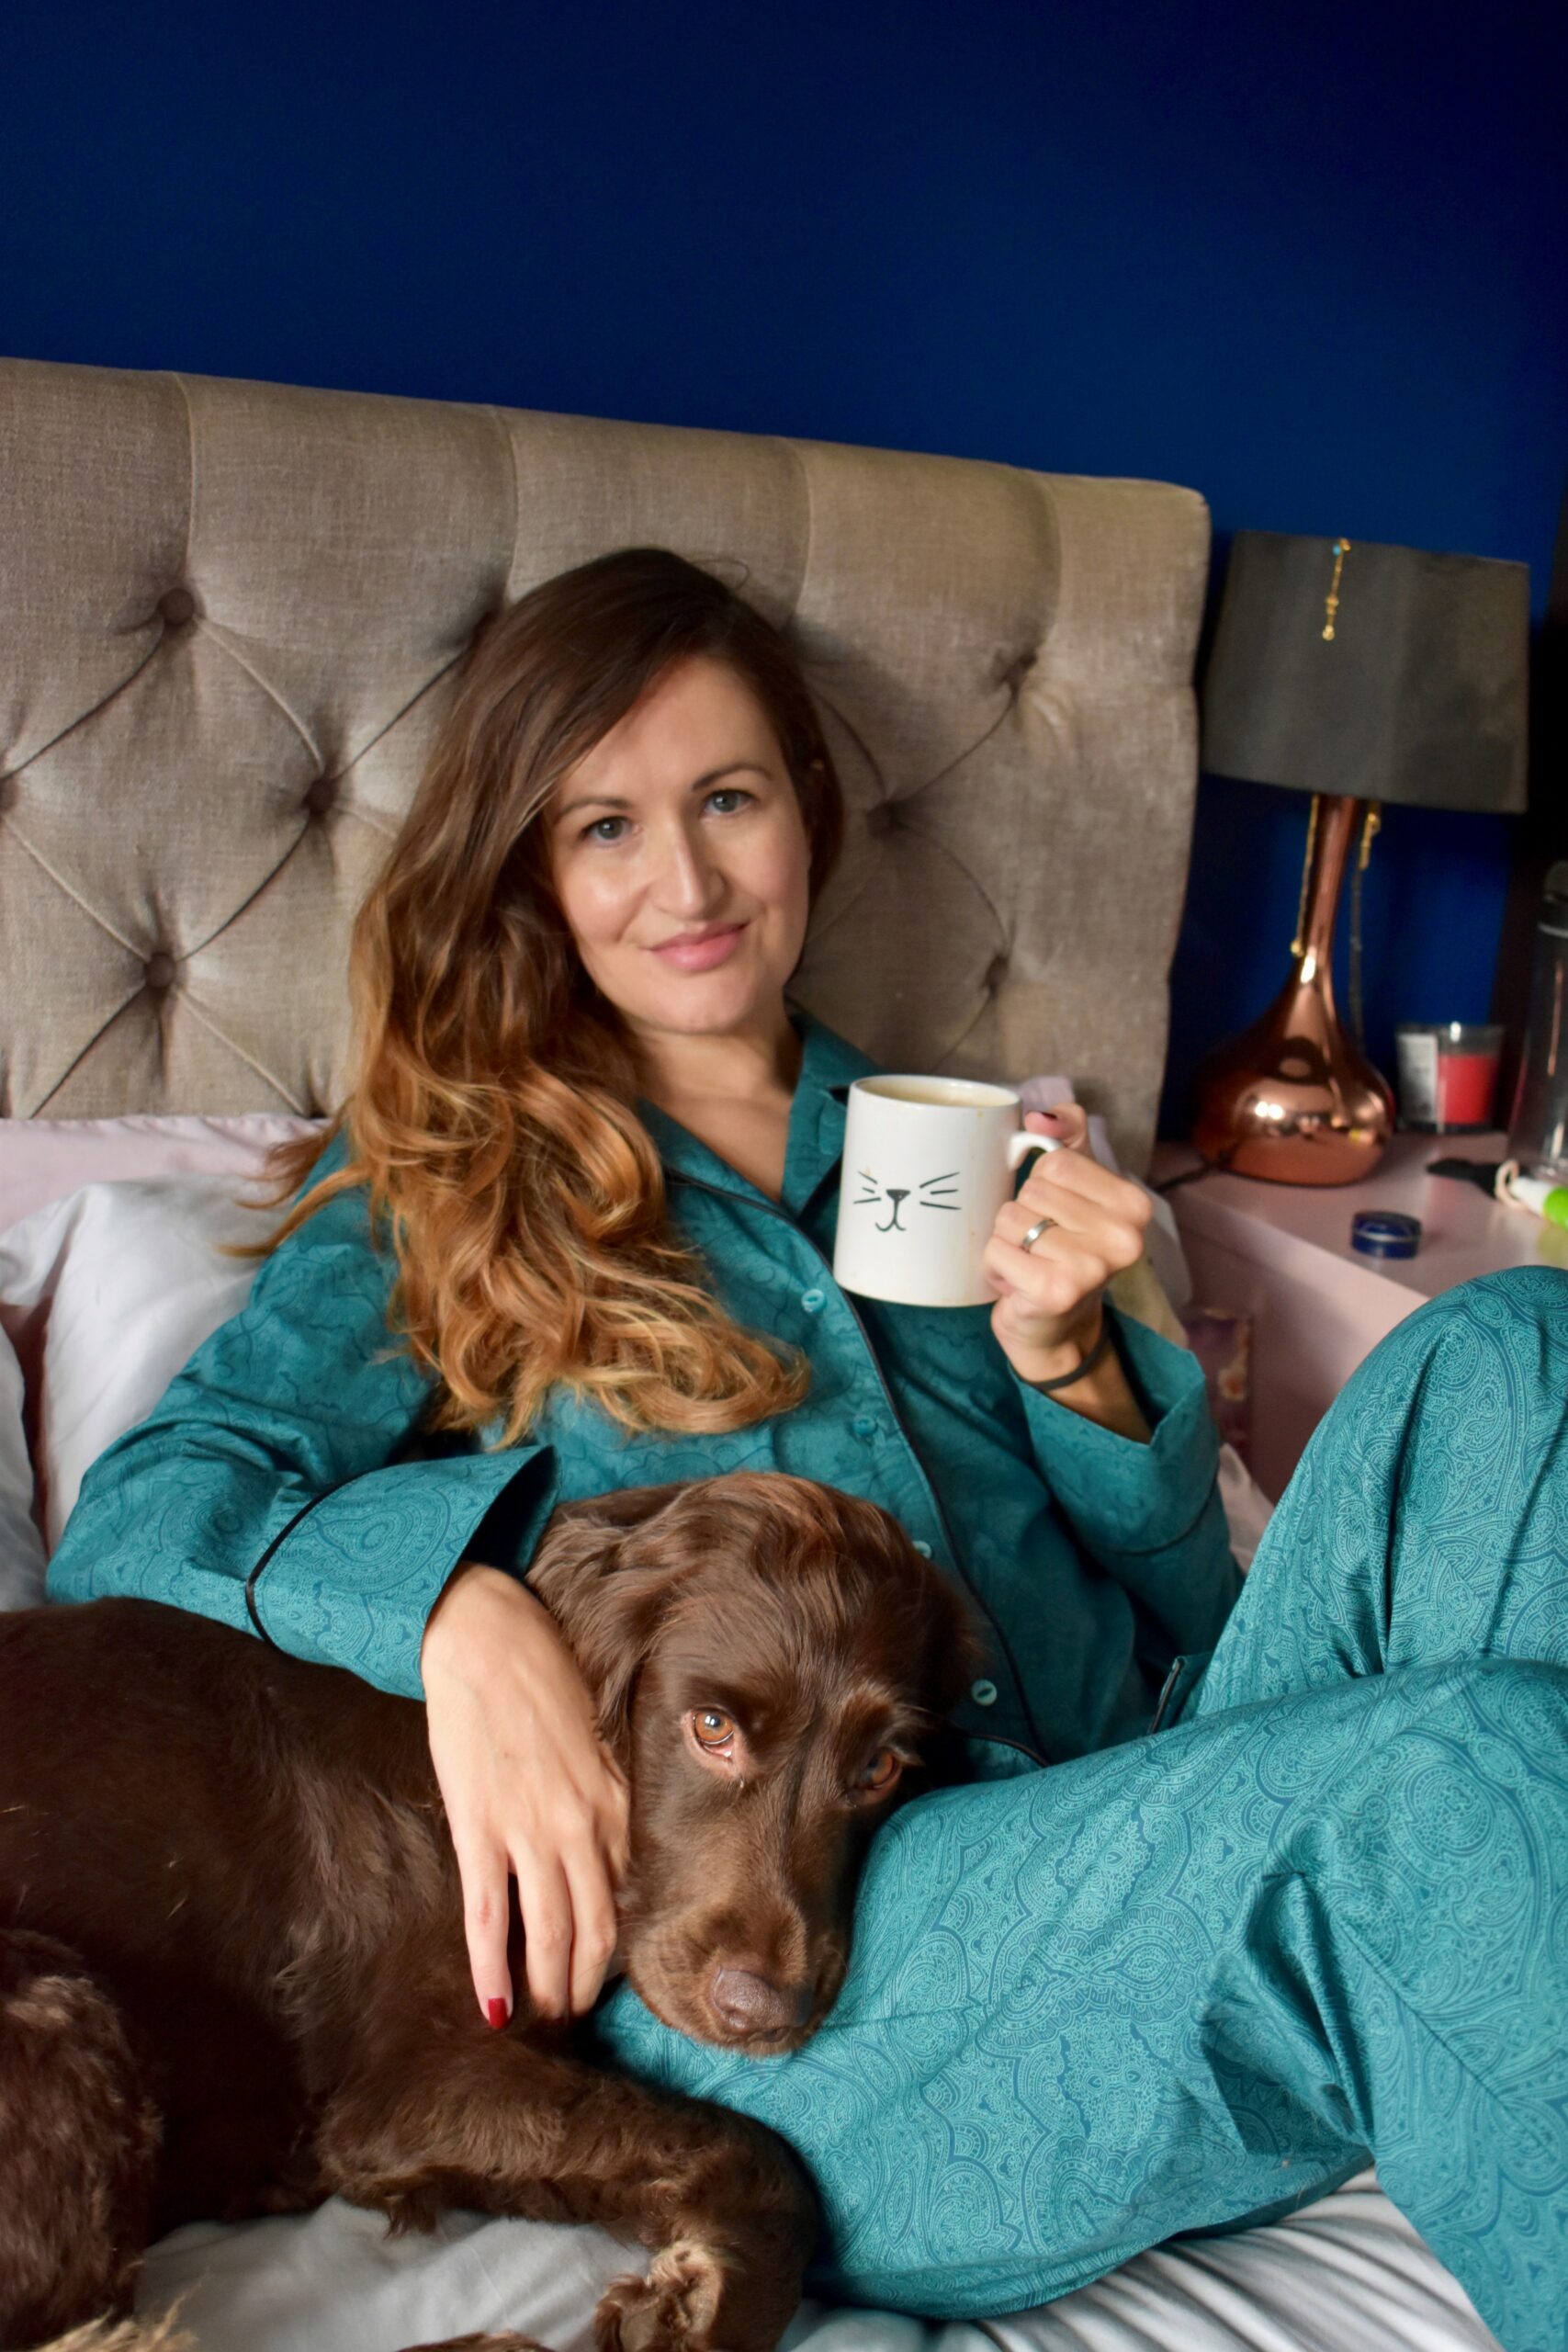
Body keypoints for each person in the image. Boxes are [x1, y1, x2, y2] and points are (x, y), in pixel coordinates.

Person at [47, 548, 1568, 2352]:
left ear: (808, 815)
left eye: (726, 799)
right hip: (819, 1965)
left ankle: (1455, 1969)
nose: (681, 881)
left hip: (1153, 1812)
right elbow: (145, 1510)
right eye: (603, 826)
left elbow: (1194, 1611)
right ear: (533, 872)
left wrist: (1079, 1362)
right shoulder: (449, 1182)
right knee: (1447, 1769)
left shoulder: (950, 1147)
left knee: (1511, 1342)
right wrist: (459, 1618)